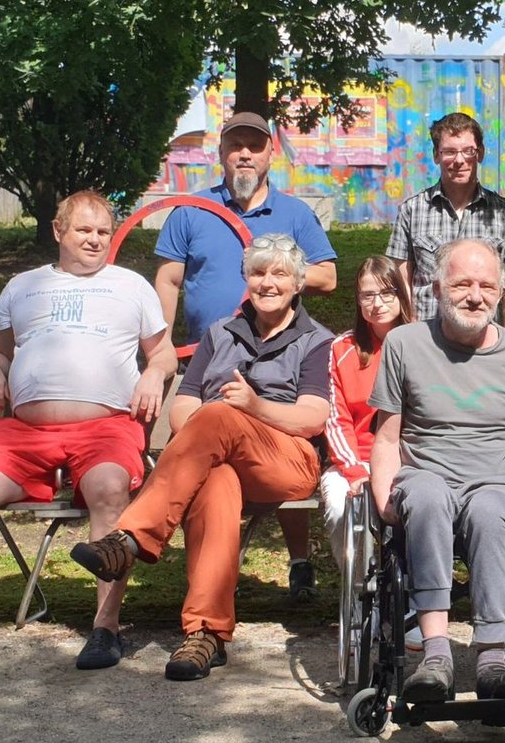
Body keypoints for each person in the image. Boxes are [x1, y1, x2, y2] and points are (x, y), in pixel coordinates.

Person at [71, 234, 333, 681]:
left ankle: (132, 538)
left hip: (286, 459)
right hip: (216, 454)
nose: (267, 282)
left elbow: (312, 417)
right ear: (245, 278)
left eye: (279, 274)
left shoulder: (315, 340)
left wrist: (252, 408)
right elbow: (182, 407)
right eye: (258, 272)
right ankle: (206, 633)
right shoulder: (219, 334)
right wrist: (217, 418)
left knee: (217, 417)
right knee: (215, 483)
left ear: (298, 283)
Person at [0, 190, 176, 671]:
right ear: (58, 231)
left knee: (110, 489)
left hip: (107, 427)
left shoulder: (131, 286)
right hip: (24, 431)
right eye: (84, 230)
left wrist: (153, 373)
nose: (94, 240)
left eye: (103, 232)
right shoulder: (23, 286)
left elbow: (164, 351)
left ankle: (105, 630)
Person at [368, 238, 505, 704]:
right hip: (426, 476)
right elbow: (388, 438)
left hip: (500, 482)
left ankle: (492, 659)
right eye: (463, 283)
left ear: (501, 291)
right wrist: (382, 500)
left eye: (487, 285)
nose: (475, 295)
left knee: (490, 509)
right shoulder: (404, 344)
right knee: (428, 497)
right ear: (437, 286)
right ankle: (436, 656)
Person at [153, 111, 338, 602]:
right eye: (236, 145)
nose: (245, 154)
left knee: (258, 431)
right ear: (221, 153)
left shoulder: (294, 213)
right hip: (211, 351)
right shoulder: (191, 210)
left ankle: (298, 561)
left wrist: (275, 273)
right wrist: (160, 348)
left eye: (254, 146)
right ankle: (208, 597)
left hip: (279, 354)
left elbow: (329, 277)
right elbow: (169, 280)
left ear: (270, 154)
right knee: (219, 460)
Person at [385, 112, 505, 329]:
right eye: (449, 152)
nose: (459, 160)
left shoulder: (504, 213)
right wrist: (410, 335)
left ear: (479, 153)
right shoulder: (412, 211)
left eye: (468, 151)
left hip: (485, 339)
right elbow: (401, 281)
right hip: (427, 338)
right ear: (436, 156)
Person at [321, 255, 415, 565]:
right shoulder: (341, 349)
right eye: (367, 295)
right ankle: (363, 589)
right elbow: (336, 420)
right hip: (357, 459)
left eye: (387, 293)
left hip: (414, 460)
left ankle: (416, 586)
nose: (377, 303)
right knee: (340, 508)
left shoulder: (425, 345)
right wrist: (356, 472)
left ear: (402, 294)